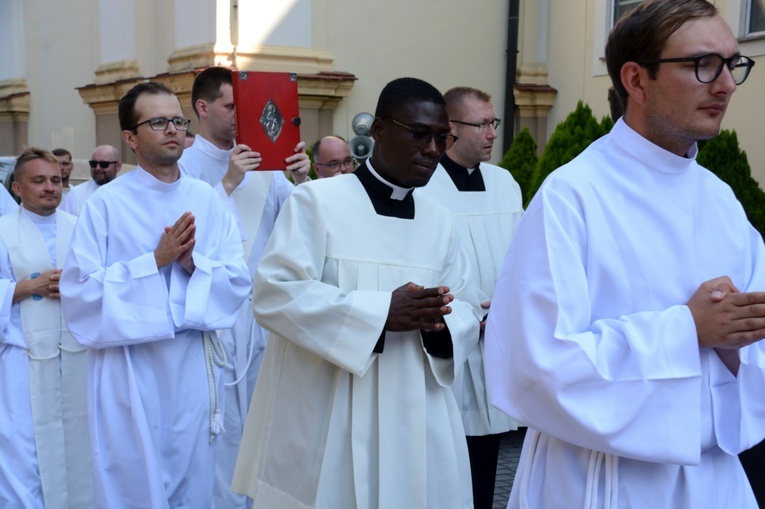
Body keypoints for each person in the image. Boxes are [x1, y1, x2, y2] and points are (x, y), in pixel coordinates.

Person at [484, 1, 765, 508]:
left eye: (732, 64)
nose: (726, 84)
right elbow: (532, 366)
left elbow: (751, 352)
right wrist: (687, 330)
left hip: (712, 480)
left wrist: (735, 345)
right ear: (636, 80)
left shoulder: (722, 201)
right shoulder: (572, 196)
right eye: (703, 65)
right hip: (600, 479)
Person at [231, 77, 483, 509]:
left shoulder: (441, 220)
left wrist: (441, 321)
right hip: (334, 411)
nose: (433, 149)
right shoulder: (316, 201)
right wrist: (381, 312)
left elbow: (466, 304)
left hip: (416, 413)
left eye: (443, 138)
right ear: (379, 131)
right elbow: (275, 294)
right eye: (420, 134)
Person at [59, 82, 251, 508]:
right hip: (128, 370)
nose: (172, 130)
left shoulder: (208, 199)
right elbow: (80, 295)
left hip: (191, 368)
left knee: (195, 478)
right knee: (134, 480)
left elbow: (238, 279)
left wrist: (192, 266)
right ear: (130, 138)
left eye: (178, 121)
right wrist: (155, 261)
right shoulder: (104, 205)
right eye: (158, 122)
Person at [178, 65, 310, 509]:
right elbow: (184, 235)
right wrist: (228, 183)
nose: (241, 115)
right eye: (231, 106)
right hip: (212, 319)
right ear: (203, 107)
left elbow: (301, 224)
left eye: (244, 105)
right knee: (221, 425)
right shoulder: (184, 165)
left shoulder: (266, 165)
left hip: (263, 318)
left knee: (265, 422)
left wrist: (303, 179)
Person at [420, 86, 523, 509]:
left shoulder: (505, 183)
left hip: (501, 336)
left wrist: (513, 303)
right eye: (481, 124)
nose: (491, 133)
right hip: (453, 338)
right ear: (451, 129)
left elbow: (523, 253)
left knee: (494, 453)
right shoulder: (425, 186)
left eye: (492, 123)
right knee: (450, 456)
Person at [0, 148, 92, 509]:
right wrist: (22, 289)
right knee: (24, 452)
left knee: (79, 445)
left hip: (76, 357)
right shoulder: (3, 230)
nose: (50, 188)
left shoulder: (80, 227)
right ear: (18, 188)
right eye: (38, 181)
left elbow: (102, 283)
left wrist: (77, 289)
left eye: (55, 180)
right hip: (22, 359)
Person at [59, 144, 121, 216]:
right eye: (93, 164)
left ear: (118, 166)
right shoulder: (75, 194)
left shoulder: (127, 193)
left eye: (104, 164)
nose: (97, 168)